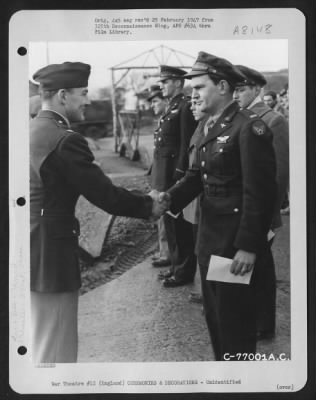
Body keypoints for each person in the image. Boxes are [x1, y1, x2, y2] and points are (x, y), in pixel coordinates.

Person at [29, 62, 167, 363]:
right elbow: (105, 195)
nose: (88, 101)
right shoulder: (65, 139)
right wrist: (149, 205)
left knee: (39, 338)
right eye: (83, 93)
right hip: (52, 253)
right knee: (55, 348)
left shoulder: (30, 130)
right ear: (63, 96)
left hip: (30, 248)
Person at [159, 51, 277, 360]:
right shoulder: (212, 127)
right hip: (209, 243)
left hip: (233, 248)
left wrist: (249, 247)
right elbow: (197, 177)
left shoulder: (249, 128)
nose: (192, 94)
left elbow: (260, 193)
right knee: (217, 324)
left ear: (222, 86)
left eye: (199, 88)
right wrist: (165, 201)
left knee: (234, 326)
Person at [233, 64, 289, 339]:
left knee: (262, 269)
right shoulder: (236, 117)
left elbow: (278, 176)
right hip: (238, 210)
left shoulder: (273, 120)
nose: (236, 95)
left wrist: (266, 218)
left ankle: (263, 325)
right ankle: (245, 318)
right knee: (241, 268)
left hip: (260, 212)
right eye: (233, 89)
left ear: (257, 88)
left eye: (241, 89)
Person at [152, 65, 198, 288]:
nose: (162, 85)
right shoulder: (172, 107)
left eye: (166, 81)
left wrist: (180, 174)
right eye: (161, 82)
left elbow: (185, 143)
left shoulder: (184, 107)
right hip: (164, 175)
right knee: (170, 224)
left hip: (174, 176)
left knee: (179, 227)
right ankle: (175, 266)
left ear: (179, 83)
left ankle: (183, 271)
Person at [147, 85, 171, 267]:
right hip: (158, 176)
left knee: (165, 217)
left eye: (155, 101)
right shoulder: (163, 120)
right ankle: (164, 251)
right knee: (161, 219)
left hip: (165, 177)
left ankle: (167, 253)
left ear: (166, 101)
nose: (152, 105)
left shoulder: (171, 119)